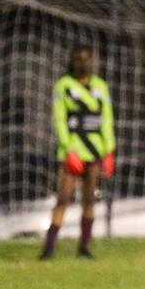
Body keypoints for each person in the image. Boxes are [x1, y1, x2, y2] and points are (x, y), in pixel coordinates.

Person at [39, 45, 116, 260]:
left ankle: (83, 248)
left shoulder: (100, 86)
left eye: (87, 59)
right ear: (72, 61)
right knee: (63, 198)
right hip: (72, 153)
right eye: (78, 59)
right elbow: (60, 120)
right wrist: (68, 149)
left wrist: (109, 151)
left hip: (94, 152)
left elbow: (107, 120)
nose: (83, 63)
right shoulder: (63, 86)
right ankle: (48, 249)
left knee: (89, 200)